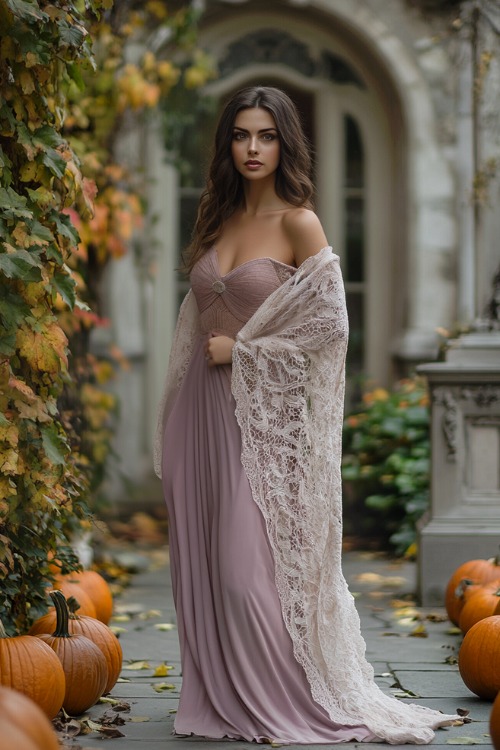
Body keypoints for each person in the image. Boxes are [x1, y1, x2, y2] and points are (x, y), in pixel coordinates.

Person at [154, 86, 458, 744]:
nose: (253, 148)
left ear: (286, 143)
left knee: (245, 574)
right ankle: (225, 700)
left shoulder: (301, 222)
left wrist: (247, 349)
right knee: (202, 568)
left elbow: (330, 330)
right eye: (241, 135)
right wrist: (175, 410)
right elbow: (193, 321)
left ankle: (285, 701)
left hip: (259, 423)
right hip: (200, 417)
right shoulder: (217, 220)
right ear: (226, 144)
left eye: (265, 136)